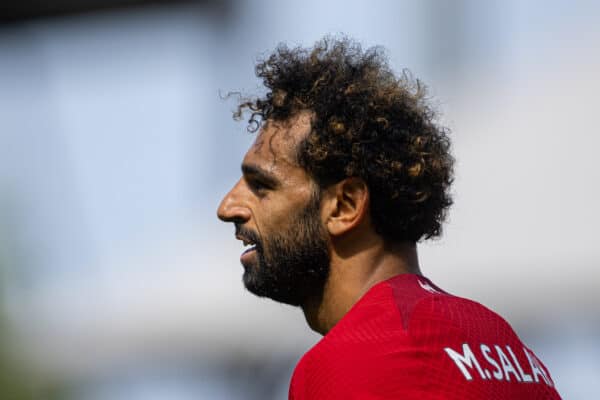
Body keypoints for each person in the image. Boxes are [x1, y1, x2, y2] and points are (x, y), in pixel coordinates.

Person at [217, 36, 562, 399]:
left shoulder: (347, 363)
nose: (228, 206)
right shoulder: (507, 347)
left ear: (345, 206)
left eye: (261, 185)